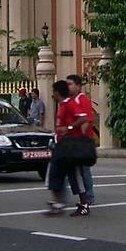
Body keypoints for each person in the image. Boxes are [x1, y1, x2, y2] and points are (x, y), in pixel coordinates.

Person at [45, 80, 85, 216]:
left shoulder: (70, 104)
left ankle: (84, 203)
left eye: (53, 91)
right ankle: (58, 202)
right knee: (55, 174)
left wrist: (69, 128)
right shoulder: (62, 105)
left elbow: (83, 118)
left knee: (74, 175)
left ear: (57, 92)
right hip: (60, 145)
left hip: (69, 145)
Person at [65, 74, 96, 211]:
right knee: (75, 170)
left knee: (84, 170)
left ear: (78, 86)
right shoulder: (70, 100)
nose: (68, 87)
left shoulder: (82, 99)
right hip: (73, 140)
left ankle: (89, 197)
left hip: (82, 141)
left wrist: (81, 137)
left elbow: (87, 119)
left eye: (70, 84)